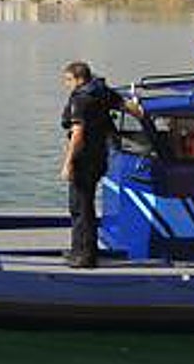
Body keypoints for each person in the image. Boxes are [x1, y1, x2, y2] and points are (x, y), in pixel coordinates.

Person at [60, 61, 143, 268]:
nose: (66, 84)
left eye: (68, 80)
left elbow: (78, 135)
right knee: (82, 205)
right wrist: (141, 113)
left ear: (79, 79)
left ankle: (86, 256)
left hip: (84, 159)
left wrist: (68, 163)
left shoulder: (81, 99)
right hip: (99, 157)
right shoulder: (101, 91)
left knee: (80, 208)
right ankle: (78, 249)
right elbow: (127, 106)